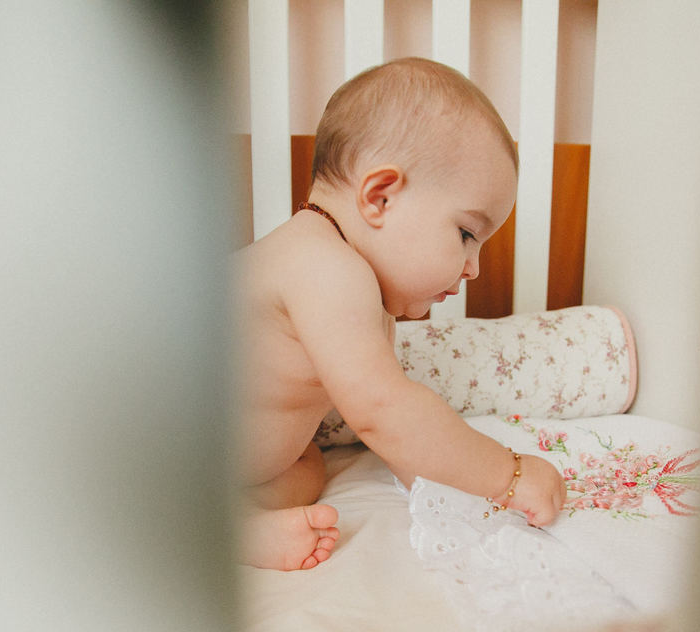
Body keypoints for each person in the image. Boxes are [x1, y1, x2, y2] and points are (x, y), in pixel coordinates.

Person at [237, 57, 567, 570]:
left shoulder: (362, 290)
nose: (474, 268)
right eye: (466, 233)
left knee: (307, 466)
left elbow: (401, 435)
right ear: (380, 197)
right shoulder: (323, 267)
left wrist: (445, 479)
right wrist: (508, 475)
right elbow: (385, 412)